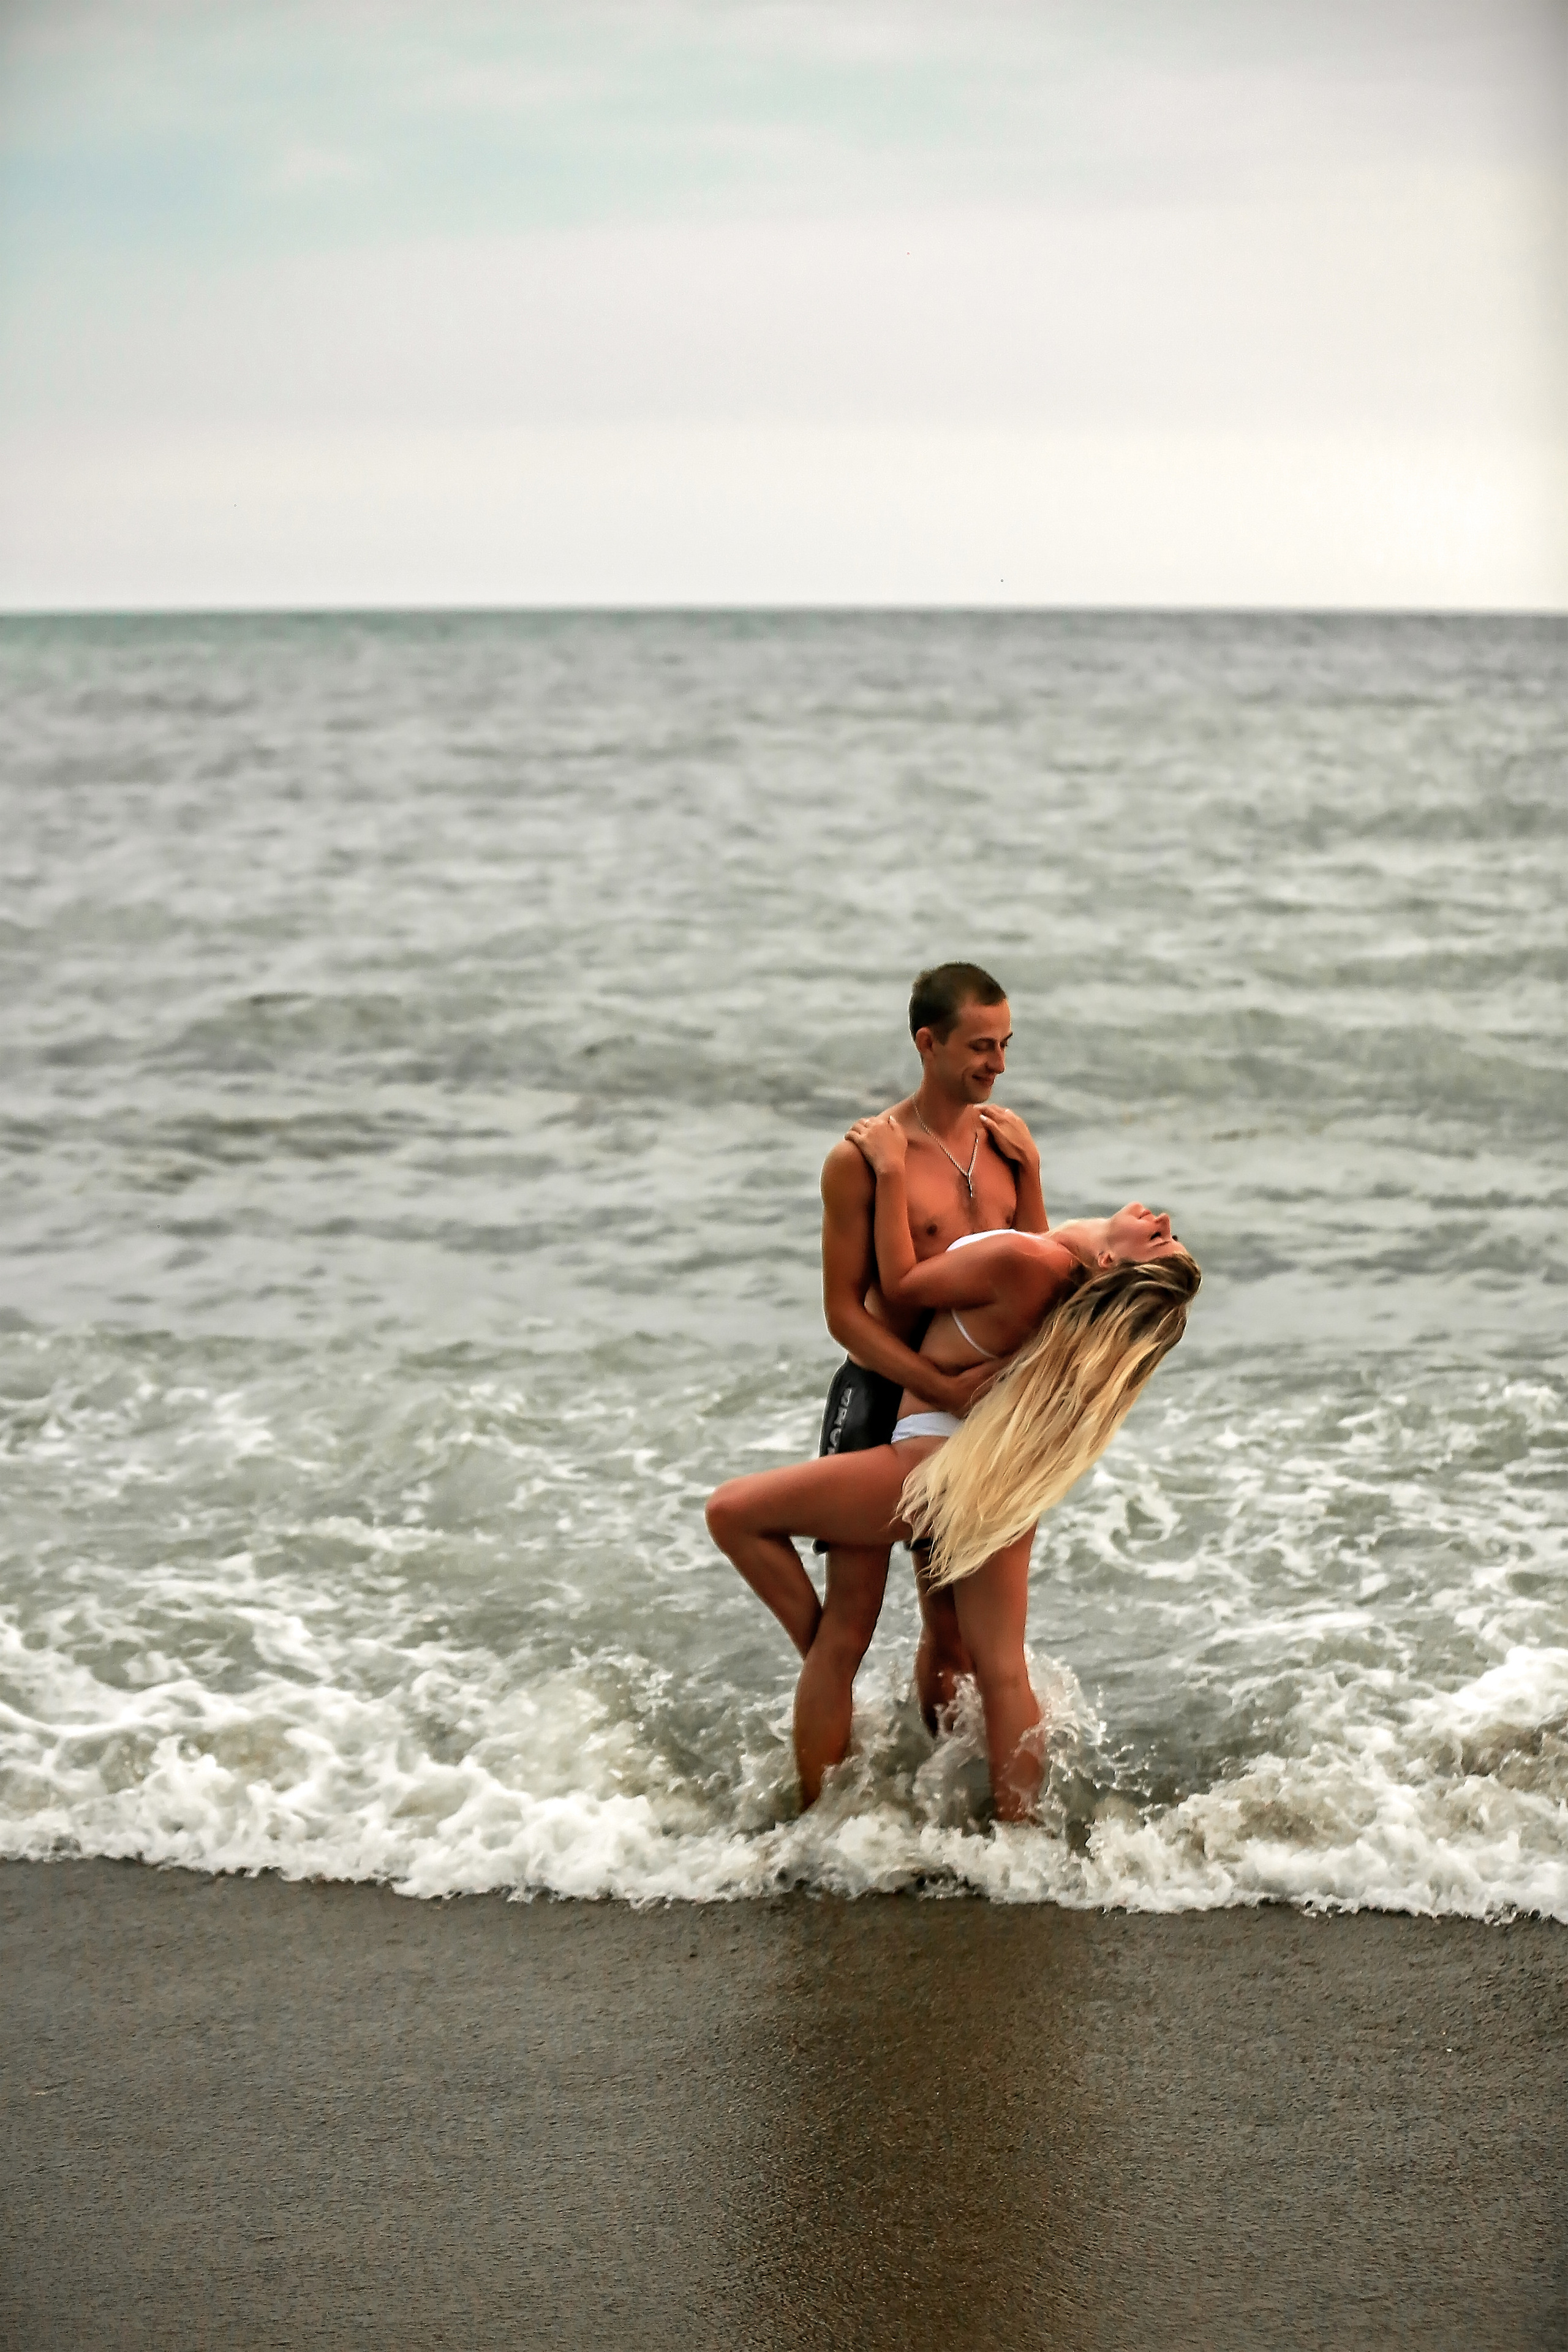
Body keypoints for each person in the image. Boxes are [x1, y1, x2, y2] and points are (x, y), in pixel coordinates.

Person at [706, 1169, 1199, 1820]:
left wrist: (886, 1171)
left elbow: (899, 1284)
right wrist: (1026, 1171)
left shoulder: (1032, 1262)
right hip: (997, 1474)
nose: (1162, 1220)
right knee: (997, 1668)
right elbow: (1038, 1244)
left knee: (732, 1514)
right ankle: (1019, 1845)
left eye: (1159, 1242)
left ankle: (817, 1808)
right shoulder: (1068, 1291)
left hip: (928, 1462)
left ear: (1110, 1264)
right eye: (1168, 1235)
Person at [799, 962, 1049, 1806]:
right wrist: (934, 1385)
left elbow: (1040, 1280)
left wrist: (1037, 1174)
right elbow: (845, 1313)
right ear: (927, 1044)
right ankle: (814, 1828)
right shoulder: (864, 1159)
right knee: (849, 1629)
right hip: (880, 1399)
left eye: (1007, 1045)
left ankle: (944, 1798)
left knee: (952, 1629)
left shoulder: (1008, 1145)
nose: (999, 1065)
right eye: (982, 1047)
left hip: (978, 1417)